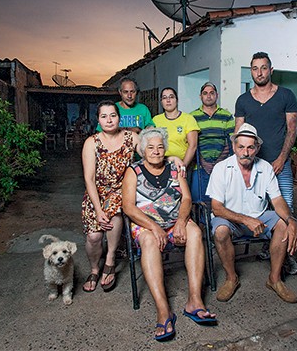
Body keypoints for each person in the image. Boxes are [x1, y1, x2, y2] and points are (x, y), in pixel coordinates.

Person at [122, 127, 217, 342]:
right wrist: (154, 227)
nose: (156, 151)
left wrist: (182, 221)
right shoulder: (133, 171)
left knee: (194, 232)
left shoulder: (175, 168)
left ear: (165, 149)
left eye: (160, 147)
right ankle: (164, 311)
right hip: (145, 224)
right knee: (148, 240)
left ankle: (195, 301)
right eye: (151, 148)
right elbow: (128, 207)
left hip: (176, 221)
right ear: (143, 150)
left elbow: (185, 198)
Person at [206, 123, 297, 303]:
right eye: (241, 147)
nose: (245, 152)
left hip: (260, 217)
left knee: (282, 224)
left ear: (257, 148)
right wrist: (245, 220)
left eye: (250, 147)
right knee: (220, 231)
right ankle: (231, 278)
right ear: (234, 147)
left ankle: (274, 279)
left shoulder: (265, 167)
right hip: (231, 219)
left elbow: (278, 200)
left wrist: (291, 219)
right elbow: (216, 208)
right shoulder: (221, 168)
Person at [234, 51, 297, 275]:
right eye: (255, 68)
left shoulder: (286, 95)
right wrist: (240, 163)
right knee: (258, 210)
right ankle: (268, 247)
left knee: (286, 211)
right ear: (251, 71)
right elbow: (239, 133)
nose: (260, 72)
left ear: (271, 70)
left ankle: (288, 259)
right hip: (252, 167)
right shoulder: (243, 100)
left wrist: (282, 158)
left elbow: (292, 130)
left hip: (278, 166)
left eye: (264, 68)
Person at [81, 100, 141, 293]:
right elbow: (89, 179)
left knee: (114, 212)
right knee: (94, 236)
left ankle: (110, 260)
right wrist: (98, 210)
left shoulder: (132, 137)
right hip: (96, 193)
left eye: (113, 115)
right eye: (104, 116)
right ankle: (94, 269)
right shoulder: (92, 142)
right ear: (98, 119)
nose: (109, 120)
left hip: (121, 190)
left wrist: (170, 157)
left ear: (119, 117)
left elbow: (150, 154)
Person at [190, 82, 235, 202]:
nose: (208, 96)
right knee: (202, 200)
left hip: (222, 164)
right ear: (200, 96)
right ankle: (204, 221)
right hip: (199, 165)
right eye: (205, 93)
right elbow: (192, 143)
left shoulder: (226, 116)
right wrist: (204, 163)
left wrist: (218, 163)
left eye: (211, 93)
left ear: (217, 95)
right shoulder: (192, 117)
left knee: (222, 199)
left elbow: (231, 141)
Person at [153, 87, 200, 168]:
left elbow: (193, 146)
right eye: (164, 98)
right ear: (161, 102)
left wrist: (183, 166)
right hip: (161, 164)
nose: (168, 100)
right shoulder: (156, 120)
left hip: (183, 163)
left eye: (171, 97)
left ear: (177, 100)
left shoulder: (188, 119)